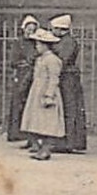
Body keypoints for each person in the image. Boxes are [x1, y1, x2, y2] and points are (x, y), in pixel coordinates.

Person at [20, 28, 65, 160]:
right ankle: (39, 148)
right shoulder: (40, 59)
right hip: (37, 91)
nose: (37, 47)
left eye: (39, 44)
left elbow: (54, 78)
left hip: (46, 92)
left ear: (46, 45)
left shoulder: (53, 60)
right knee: (36, 121)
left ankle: (46, 149)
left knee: (48, 122)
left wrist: (49, 95)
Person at [50, 15, 87, 154]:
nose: (52, 31)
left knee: (70, 108)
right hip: (64, 76)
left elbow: (63, 60)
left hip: (68, 78)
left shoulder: (68, 42)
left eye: (54, 29)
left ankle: (70, 142)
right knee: (64, 108)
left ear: (61, 29)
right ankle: (62, 141)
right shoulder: (63, 41)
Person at [7, 14, 40, 144]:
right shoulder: (18, 43)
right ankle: (17, 133)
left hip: (33, 75)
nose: (30, 32)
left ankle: (30, 136)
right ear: (23, 29)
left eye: (33, 30)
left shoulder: (36, 43)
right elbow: (13, 60)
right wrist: (24, 63)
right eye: (28, 29)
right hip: (21, 75)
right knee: (18, 102)